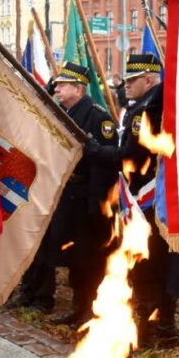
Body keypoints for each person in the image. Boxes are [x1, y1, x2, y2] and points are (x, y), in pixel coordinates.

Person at [85, 53, 177, 347]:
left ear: (149, 79)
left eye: (133, 80)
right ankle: (158, 324)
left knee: (150, 265)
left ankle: (154, 329)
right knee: (150, 264)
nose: (126, 85)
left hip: (147, 198)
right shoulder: (141, 107)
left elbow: (132, 157)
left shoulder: (146, 111)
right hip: (144, 197)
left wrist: (95, 150)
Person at [47, 62, 119, 327]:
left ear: (78, 88)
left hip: (89, 197)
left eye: (62, 85)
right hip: (68, 194)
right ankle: (78, 307)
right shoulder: (64, 113)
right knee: (74, 257)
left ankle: (93, 310)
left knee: (90, 258)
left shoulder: (98, 117)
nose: (57, 88)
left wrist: (96, 203)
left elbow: (106, 163)